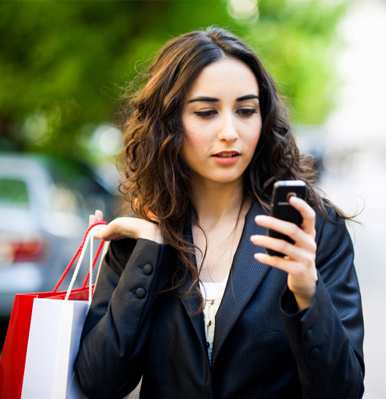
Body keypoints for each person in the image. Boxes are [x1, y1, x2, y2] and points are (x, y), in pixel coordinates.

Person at [75, 27, 365, 399]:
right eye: (206, 112)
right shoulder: (141, 235)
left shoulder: (312, 229)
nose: (230, 131)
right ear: (168, 123)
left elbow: (343, 391)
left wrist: (308, 292)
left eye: (246, 111)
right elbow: (99, 382)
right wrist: (150, 250)